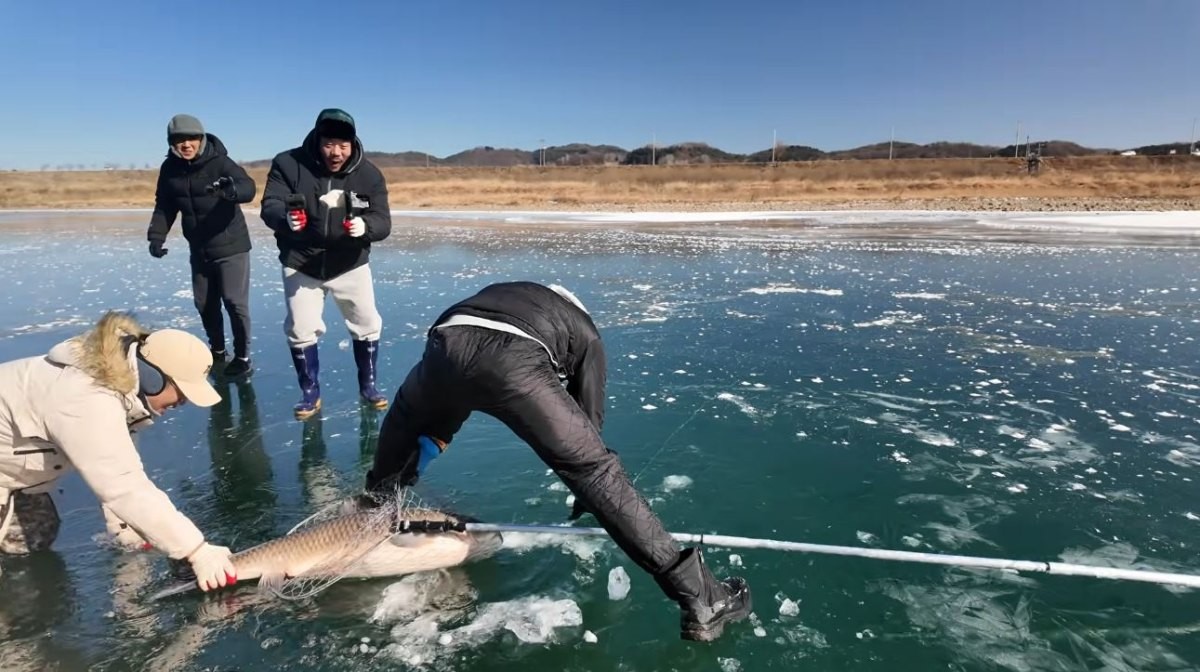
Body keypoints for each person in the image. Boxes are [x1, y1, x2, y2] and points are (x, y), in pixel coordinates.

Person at [361, 281, 751, 642]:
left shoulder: (512, 295)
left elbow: (439, 405)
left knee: (411, 426)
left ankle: (375, 507)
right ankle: (703, 599)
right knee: (597, 473)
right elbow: (589, 422)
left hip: (443, 346)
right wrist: (588, 491)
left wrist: (387, 477)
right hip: (513, 358)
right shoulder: (585, 331)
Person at [0, 311, 237, 593]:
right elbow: (123, 488)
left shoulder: (119, 389)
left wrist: (124, 528)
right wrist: (196, 551)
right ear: (155, 378)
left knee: (34, 536)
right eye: (182, 391)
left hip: (17, 467)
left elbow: (118, 460)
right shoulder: (84, 397)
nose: (183, 402)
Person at [259, 108, 393, 420]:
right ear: (318, 140)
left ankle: (368, 386)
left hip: (350, 262)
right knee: (300, 328)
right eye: (330, 144)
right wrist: (286, 219)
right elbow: (271, 205)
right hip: (301, 261)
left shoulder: (369, 174)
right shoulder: (288, 164)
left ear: (353, 143)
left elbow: (383, 220)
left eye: (343, 146)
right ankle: (310, 393)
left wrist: (366, 228)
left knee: (367, 324)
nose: (336, 153)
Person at [146, 113, 258, 378]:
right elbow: (165, 206)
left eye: (192, 138)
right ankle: (217, 351)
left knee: (234, 302)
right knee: (205, 303)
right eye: (180, 140)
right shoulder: (170, 169)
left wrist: (230, 191)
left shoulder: (219, 162)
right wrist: (156, 236)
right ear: (172, 143)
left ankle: (242, 357)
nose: (186, 144)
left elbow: (248, 187)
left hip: (231, 245)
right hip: (199, 248)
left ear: (201, 138)